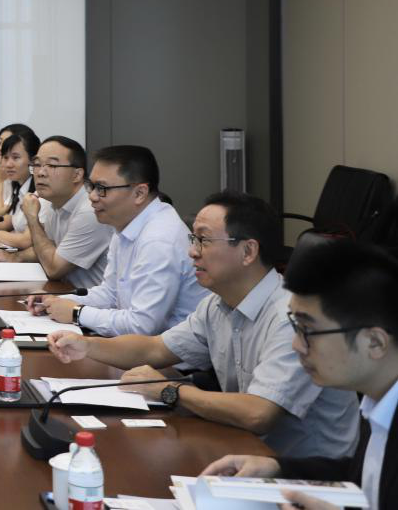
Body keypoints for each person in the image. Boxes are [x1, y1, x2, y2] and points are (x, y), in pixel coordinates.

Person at [48, 192, 359, 459]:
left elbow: (258, 413)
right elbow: (155, 348)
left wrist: (170, 391)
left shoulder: (288, 318)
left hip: (306, 475)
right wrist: (86, 345)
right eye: (193, 239)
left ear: (248, 251)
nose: (192, 252)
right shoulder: (217, 304)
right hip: (245, 451)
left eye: (204, 240)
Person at [201, 239, 398, 510]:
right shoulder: (379, 401)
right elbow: (365, 477)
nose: (297, 345)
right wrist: (277, 468)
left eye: (308, 330)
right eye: (295, 326)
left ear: (374, 342)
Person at [29, 145, 207, 335]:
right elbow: (111, 293)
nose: (92, 196)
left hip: (168, 352)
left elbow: (143, 325)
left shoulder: (159, 240)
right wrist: (57, 301)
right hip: (137, 344)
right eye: (91, 186)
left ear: (139, 193)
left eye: (102, 188)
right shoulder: (126, 222)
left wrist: (76, 312)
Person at [0, 136, 113, 289]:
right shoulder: (52, 200)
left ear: (77, 175)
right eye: (37, 164)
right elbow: (46, 248)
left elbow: (54, 269)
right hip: (63, 291)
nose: (41, 173)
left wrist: (32, 218)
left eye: (52, 165)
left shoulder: (90, 212)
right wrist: (13, 257)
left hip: (87, 298)